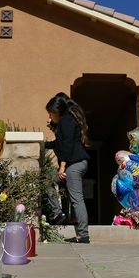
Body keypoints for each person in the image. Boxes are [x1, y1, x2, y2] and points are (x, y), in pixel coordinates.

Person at [44, 92, 91, 244]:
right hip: (75, 164)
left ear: (56, 112)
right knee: (48, 178)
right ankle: (58, 214)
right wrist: (43, 144)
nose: (49, 118)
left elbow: (68, 145)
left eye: (50, 114)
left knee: (77, 199)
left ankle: (83, 235)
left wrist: (62, 166)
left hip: (74, 165)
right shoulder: (64, 123)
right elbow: (59, 143)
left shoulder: (67, 121)